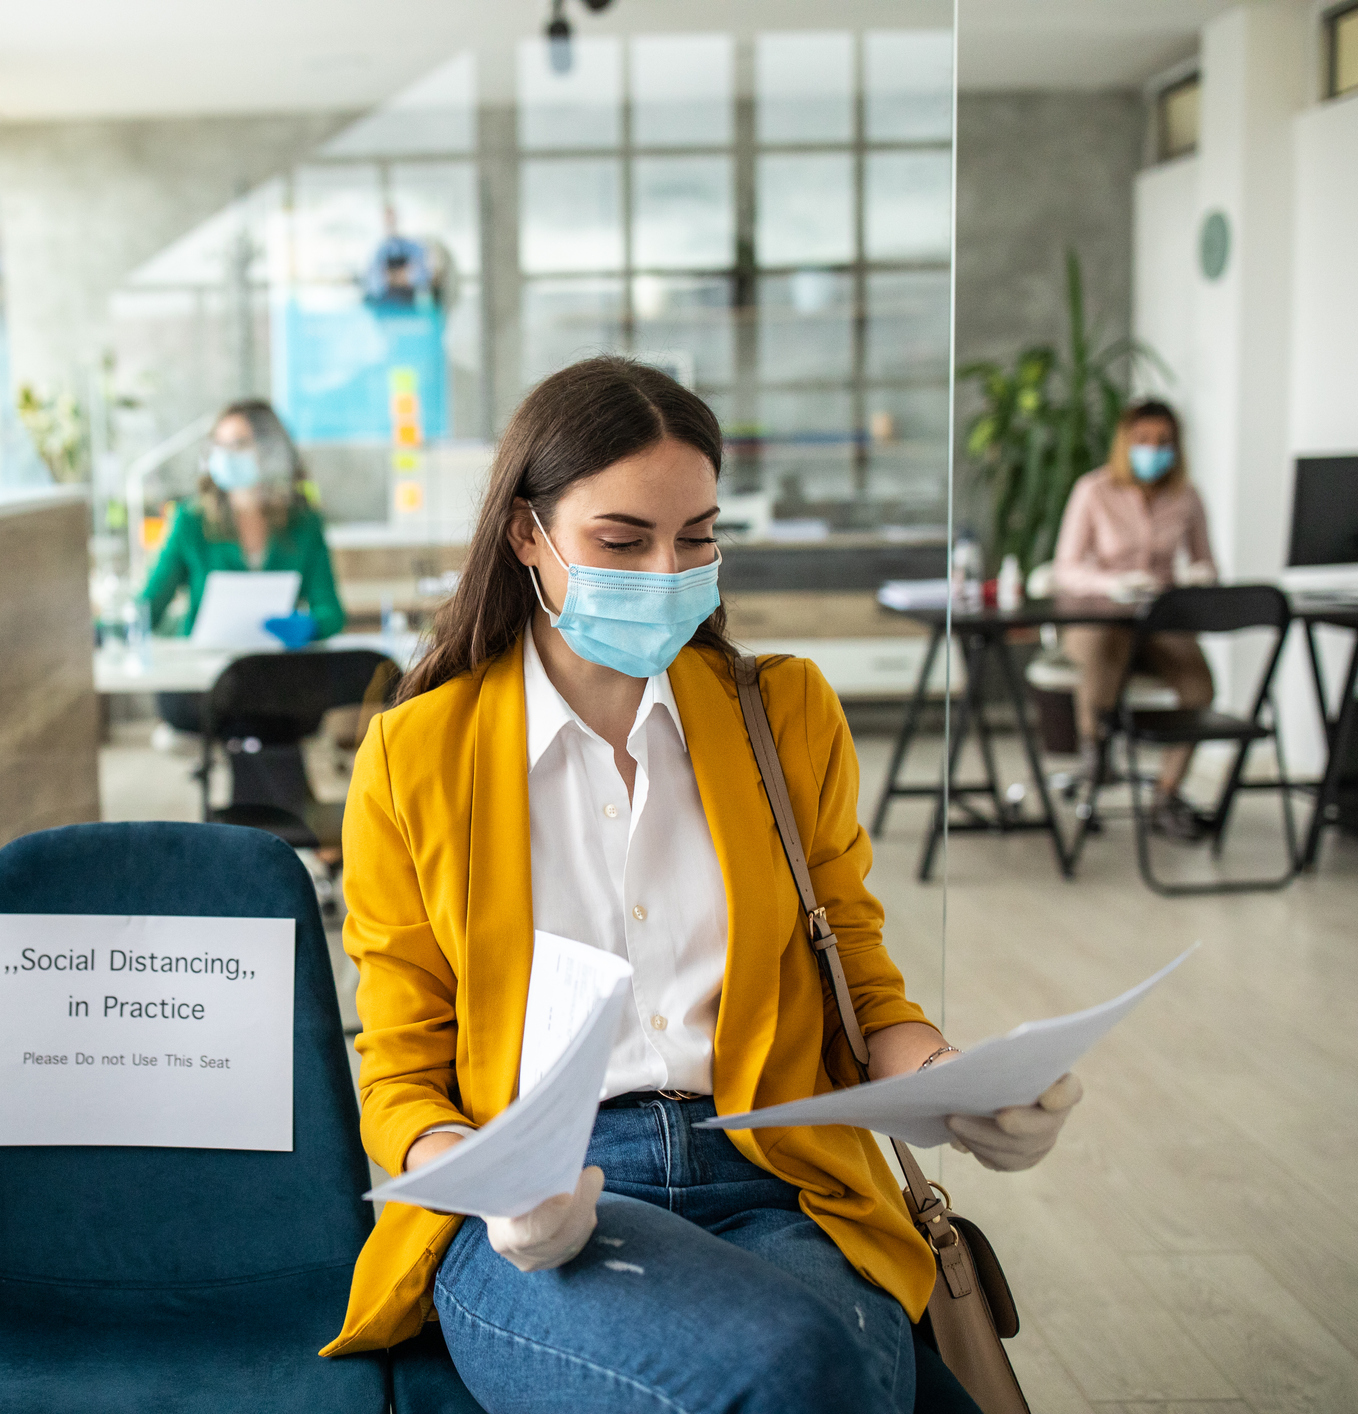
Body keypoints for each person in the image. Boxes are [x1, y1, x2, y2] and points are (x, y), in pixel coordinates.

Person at [320, 357, 1081, 1412]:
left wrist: (959, 1083)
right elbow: (399, 1071)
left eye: (699, 537)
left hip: (779, 1176)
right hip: (552, 1200)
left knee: (815, 1373)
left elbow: (860, 985)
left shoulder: (784, 716)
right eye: (623, 542)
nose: (668, 569)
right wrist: (493, 1178)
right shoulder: (417, 755)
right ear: (528, 536)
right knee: (812, 1376)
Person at [1051, 398, 1218, 840]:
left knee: (1199, 685)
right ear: (1125, 442)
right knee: (1108, 652)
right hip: (1099, 618)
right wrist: (1113, 584)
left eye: (1164, 442)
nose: (1153, 449)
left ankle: (1166, 795)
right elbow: (1065, 568)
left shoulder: (1187, 496)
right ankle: (1094, 768)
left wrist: (1198, 577)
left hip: (1158, 620)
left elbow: (1206, 563)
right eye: (1143, 440)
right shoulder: (1094, 490)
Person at [138, 399, 345, 735]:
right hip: (203, 682)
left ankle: (265, 782)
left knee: (269, 710)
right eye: (219, 445)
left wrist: (309, 626)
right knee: (255, 718)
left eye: (238, 444)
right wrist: (106, 630)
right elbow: (149, 604)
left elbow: (332, 612)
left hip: (274, 678)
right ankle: (278, 785)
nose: (225, 455)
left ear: (270, 450)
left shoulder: (304, 524)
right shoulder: (191, 521)